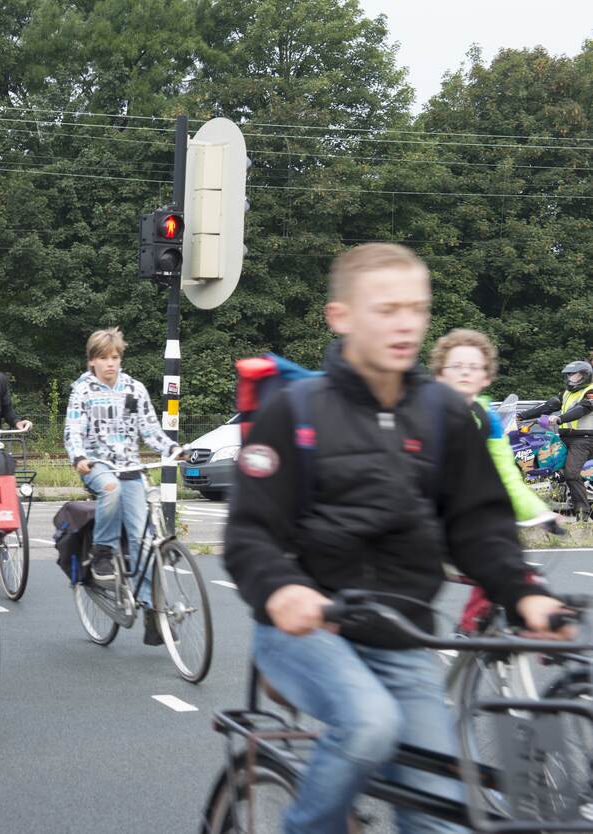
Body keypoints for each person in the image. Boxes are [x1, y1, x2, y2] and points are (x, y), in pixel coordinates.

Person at [223, 243, 570, 834]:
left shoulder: (444, 414)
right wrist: (283, 591)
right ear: (342, 317)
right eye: (387, 309)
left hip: (402, 638)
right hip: (308, 632)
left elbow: (478, 526)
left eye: (417, 308)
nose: (406, 323)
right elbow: (250, 534)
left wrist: (525, 592)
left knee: (444, 814)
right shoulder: (296, 412)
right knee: (368, 724)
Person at [431, 328, 556, 634]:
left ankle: (476, 632)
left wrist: (539, 511)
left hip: (472, 523)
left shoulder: (489, 420)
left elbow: (507, 476)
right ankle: (472, 632)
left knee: (519, 572)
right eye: (456, 366)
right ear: (439, 375)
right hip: (430, 520)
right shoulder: (424, 413)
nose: (464, 372)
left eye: (473, 367)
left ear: (486, 378)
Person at [62, 327, 179, 647]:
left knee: (145, 540)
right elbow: (72, 429)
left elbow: (151, 431)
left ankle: (151, 611)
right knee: (110, 488)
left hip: (131, 467)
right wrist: (79, 456)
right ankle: (103, 552)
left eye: (115, 358)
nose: (111, 364)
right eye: (103, 358)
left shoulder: (134, 389)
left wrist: (173, 450)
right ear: (92, 362)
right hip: (98, 466)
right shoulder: (82, 390)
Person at [517, 359, 593, 520]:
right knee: (545, 463)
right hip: (565, 437)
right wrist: (520, 415)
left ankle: (583, 515)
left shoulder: (590, 392)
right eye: (569, 375)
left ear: (585, 376)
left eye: (575, 375)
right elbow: (547, 406)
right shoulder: (566, 393)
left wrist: (559, 419)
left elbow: (581, 410)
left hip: (584, 439)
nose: (571, 378)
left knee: (571, 473)